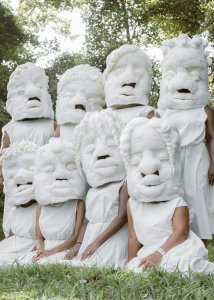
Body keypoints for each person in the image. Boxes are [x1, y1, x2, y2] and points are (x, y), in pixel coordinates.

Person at [120, 117, 214, 274]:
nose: (149, 169)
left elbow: (181, 232)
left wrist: (159, 254)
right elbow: (133, 237)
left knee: (181, 266)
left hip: (176, 248)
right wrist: (130, 262)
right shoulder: (132, 204)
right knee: (138, 269)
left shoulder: (177, 203)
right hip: (150, 250)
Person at [157, 34, 214, 241]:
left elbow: (211, 137)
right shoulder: (164, 111)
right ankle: (179, 235)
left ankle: (203, 236)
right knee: (178, 195)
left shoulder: (204, 110)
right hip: (173, 158)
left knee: (198, 194)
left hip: (197, 157)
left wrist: (213, 164)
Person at [62, 109, 128, 267]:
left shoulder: (123, 185)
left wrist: (97, 243)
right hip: (92, 235)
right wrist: (79, 244)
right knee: (83, 263)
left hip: (112, 235)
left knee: (103, 263)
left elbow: (122, 217)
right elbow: (87, 220)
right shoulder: (92, 191)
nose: (101, 154)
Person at [0, 62, 55, 236]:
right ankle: (13, 236)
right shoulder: (10, 128)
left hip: (43, 179)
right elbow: (4, 157)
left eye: (38, 86)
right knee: (14, 213)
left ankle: (41, 238)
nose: (32, 92)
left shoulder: (52, 125)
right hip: (17, 182)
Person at [22, 138, 87, 264]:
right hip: (45, 250)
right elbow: (39, 238)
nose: (59, 175)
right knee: (29, 262)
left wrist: (52, 252)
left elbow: (75, 237)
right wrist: (40, 251)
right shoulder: (41, 207)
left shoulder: (78, 204)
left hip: (64, 250)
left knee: (49, 264)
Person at [0, 141, 38, 267]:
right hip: (13, 244)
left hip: (26, 247)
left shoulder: (40, 209)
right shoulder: (16, 209)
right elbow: (11, 234)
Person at [103, 44, 155, 126]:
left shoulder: (146, 112)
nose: (129, 80)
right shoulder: (104, 115)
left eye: (138, 74)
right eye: (119, 72)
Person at [55, 64, 105, 141]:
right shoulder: (62, 125)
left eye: (91, 98)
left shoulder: (102, 126)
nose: (79, 101)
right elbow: (56, 137)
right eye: (69, 94)